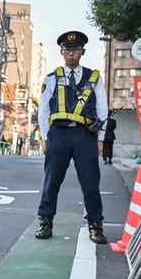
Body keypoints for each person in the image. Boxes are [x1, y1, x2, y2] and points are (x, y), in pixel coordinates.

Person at [35, 30, 109, 244]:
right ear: (61, 51)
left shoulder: (94, 78)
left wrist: (101, 138)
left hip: (85, 135)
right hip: (58, 134)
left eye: (75, 49)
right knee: (51, 181)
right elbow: (43, 111)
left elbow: (102, 108)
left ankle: (96, 225)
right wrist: (46, 138)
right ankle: (45, 222)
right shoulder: (51, 78)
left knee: (90, 182)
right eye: (68, 49)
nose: (71, 53)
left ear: (82, 52)